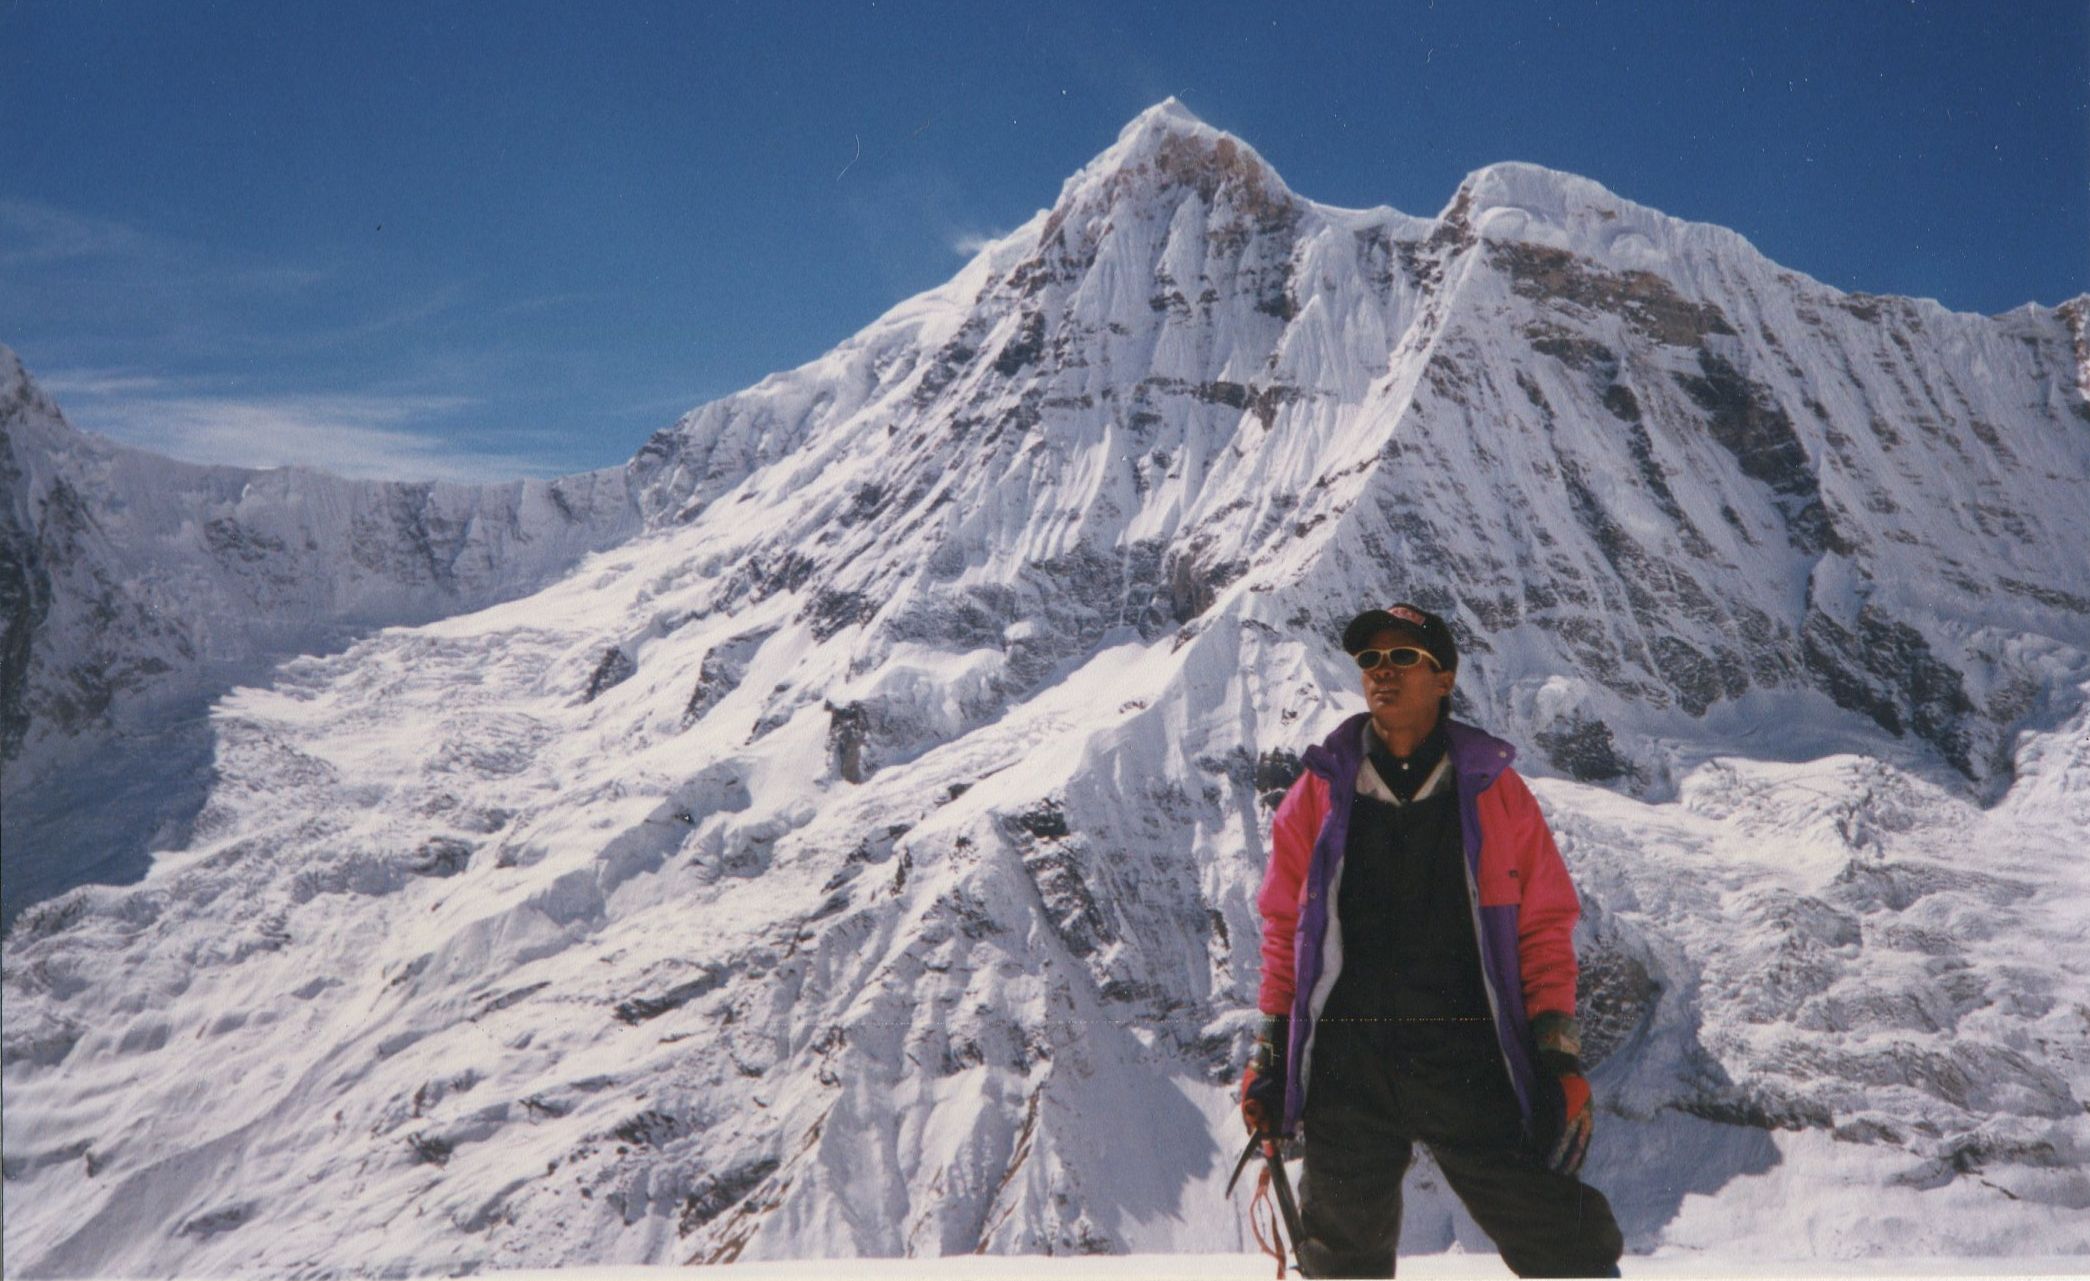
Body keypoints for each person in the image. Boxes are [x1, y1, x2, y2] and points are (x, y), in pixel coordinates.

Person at [1239, 603, 1624, 1278]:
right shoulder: (1319, 793)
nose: (1382, 672)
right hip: (1348, 1058)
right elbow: (1284, 930)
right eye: (1370, 660)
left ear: (1444, 677)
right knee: (1339, 1260)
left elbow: (1542, 928)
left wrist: (1559, 1057)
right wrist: (1270, 1057)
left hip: (1465, 1051)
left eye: (1403, 658)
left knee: (1561, 1240)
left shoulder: (1496, 793)